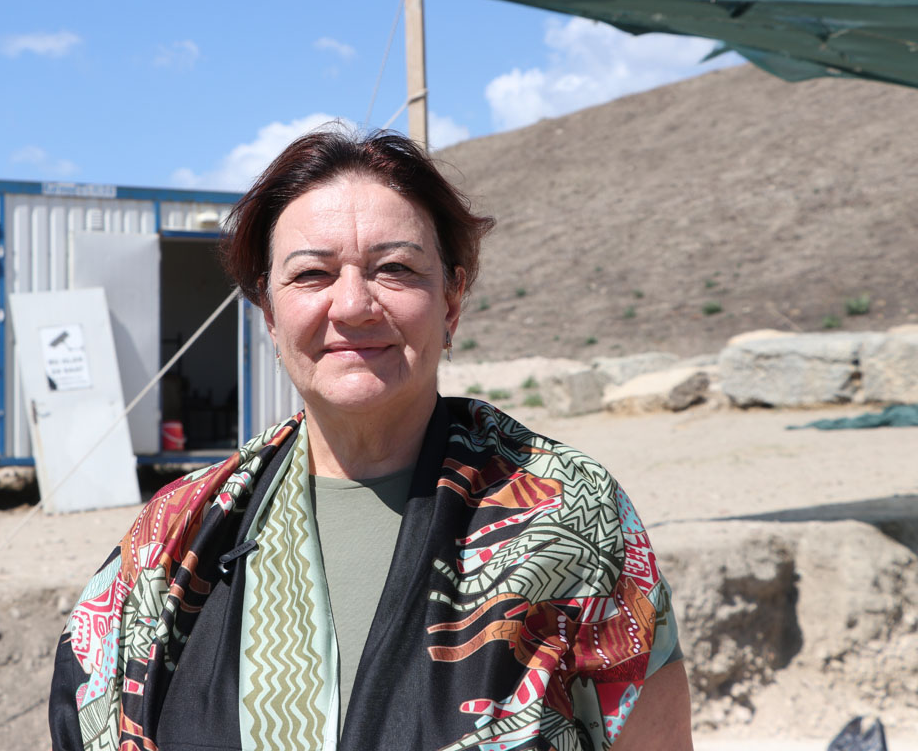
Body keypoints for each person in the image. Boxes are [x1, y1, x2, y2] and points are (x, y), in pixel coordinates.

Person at [49, 129, 692, 751]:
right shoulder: (173, 537)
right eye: (312, 275)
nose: (353, 305)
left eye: (395, 268)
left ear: (451, 301)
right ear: (269, 313)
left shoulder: (571, 515)